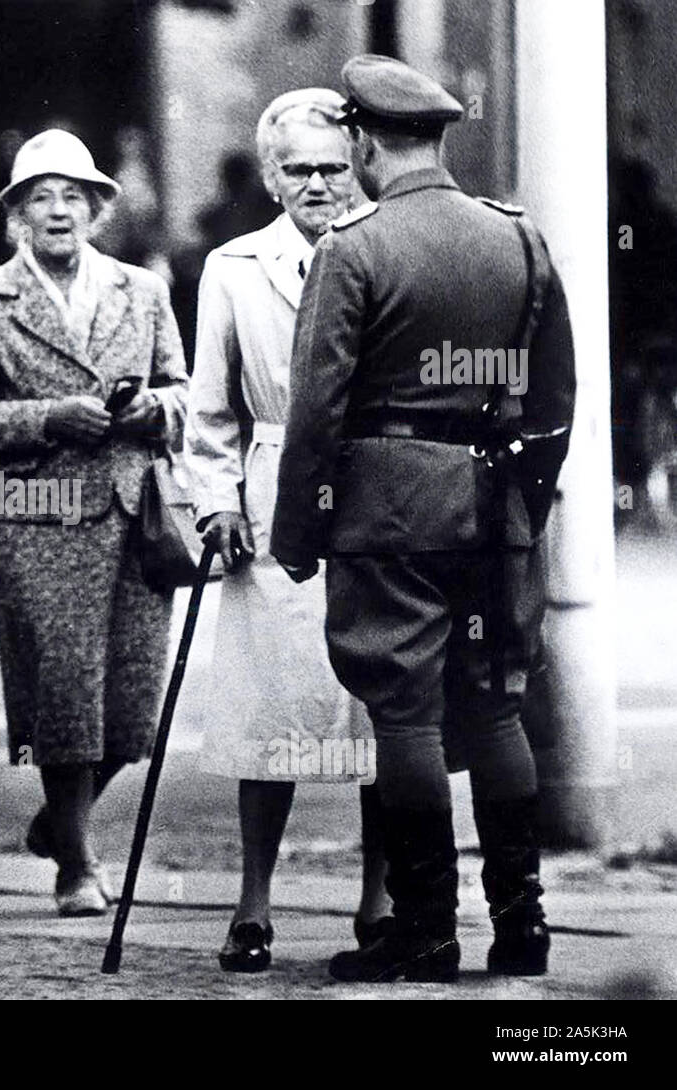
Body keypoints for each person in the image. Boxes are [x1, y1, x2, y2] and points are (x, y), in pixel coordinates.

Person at [271, 55, 576, 983]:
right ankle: (523, 926)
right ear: (439, 137)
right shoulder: (517, 239)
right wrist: (524, 497)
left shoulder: (352, 250)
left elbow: (317, 409)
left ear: (363, 142)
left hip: (390, 509)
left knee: (404, 717)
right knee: (494, 709)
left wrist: (297, 530)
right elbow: (556, 394)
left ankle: (426, 932)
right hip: (495, 507)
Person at [0, 129, 189, 916]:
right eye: (41, 197)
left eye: (72, 197)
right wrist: (49, 417)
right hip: (40, 519)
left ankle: (56, 822)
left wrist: (156, 407)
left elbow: (186, 390)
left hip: (136, 513)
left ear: (96, 210)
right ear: (17, 214)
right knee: (65, 697)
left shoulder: (142, 292)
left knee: (133, 706)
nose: (58, 211)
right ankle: (77, 864)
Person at [184, 88, 389, 973]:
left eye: (332, 167)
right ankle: (252, 905)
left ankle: (380, 901)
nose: (317, 184)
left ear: (359, 168)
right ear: (271, 177)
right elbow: (209, 410)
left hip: (377, 491)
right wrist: (217, 500)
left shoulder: (390, 248)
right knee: (268, 706)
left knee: (388, 710)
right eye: (298, 169)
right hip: (273, 496)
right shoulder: (233, 267)